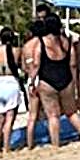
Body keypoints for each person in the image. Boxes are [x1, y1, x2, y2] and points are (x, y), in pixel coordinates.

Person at [29, 14, 80, 151]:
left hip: (47, 81)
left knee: (53, 116)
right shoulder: (67, 42)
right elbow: (73, 64)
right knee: (72, 112)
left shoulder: (41, 42)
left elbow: (36, 65)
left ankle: (56, 145)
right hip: (66, 79)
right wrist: (74, 83)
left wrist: (31, 82)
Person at [0, 28, 23, 154]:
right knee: (10, 118)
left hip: (1, 83)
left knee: (0, 119)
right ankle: (7, 147)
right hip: (12, 82)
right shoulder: (17, 50)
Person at [21, 19, 46, 149]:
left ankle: (30, 143)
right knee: (46, 112)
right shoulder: (43, 44)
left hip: (30, 79)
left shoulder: (26, 46)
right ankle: (45, 136)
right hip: (41, 78)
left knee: (32, 114)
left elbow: (23, 66)